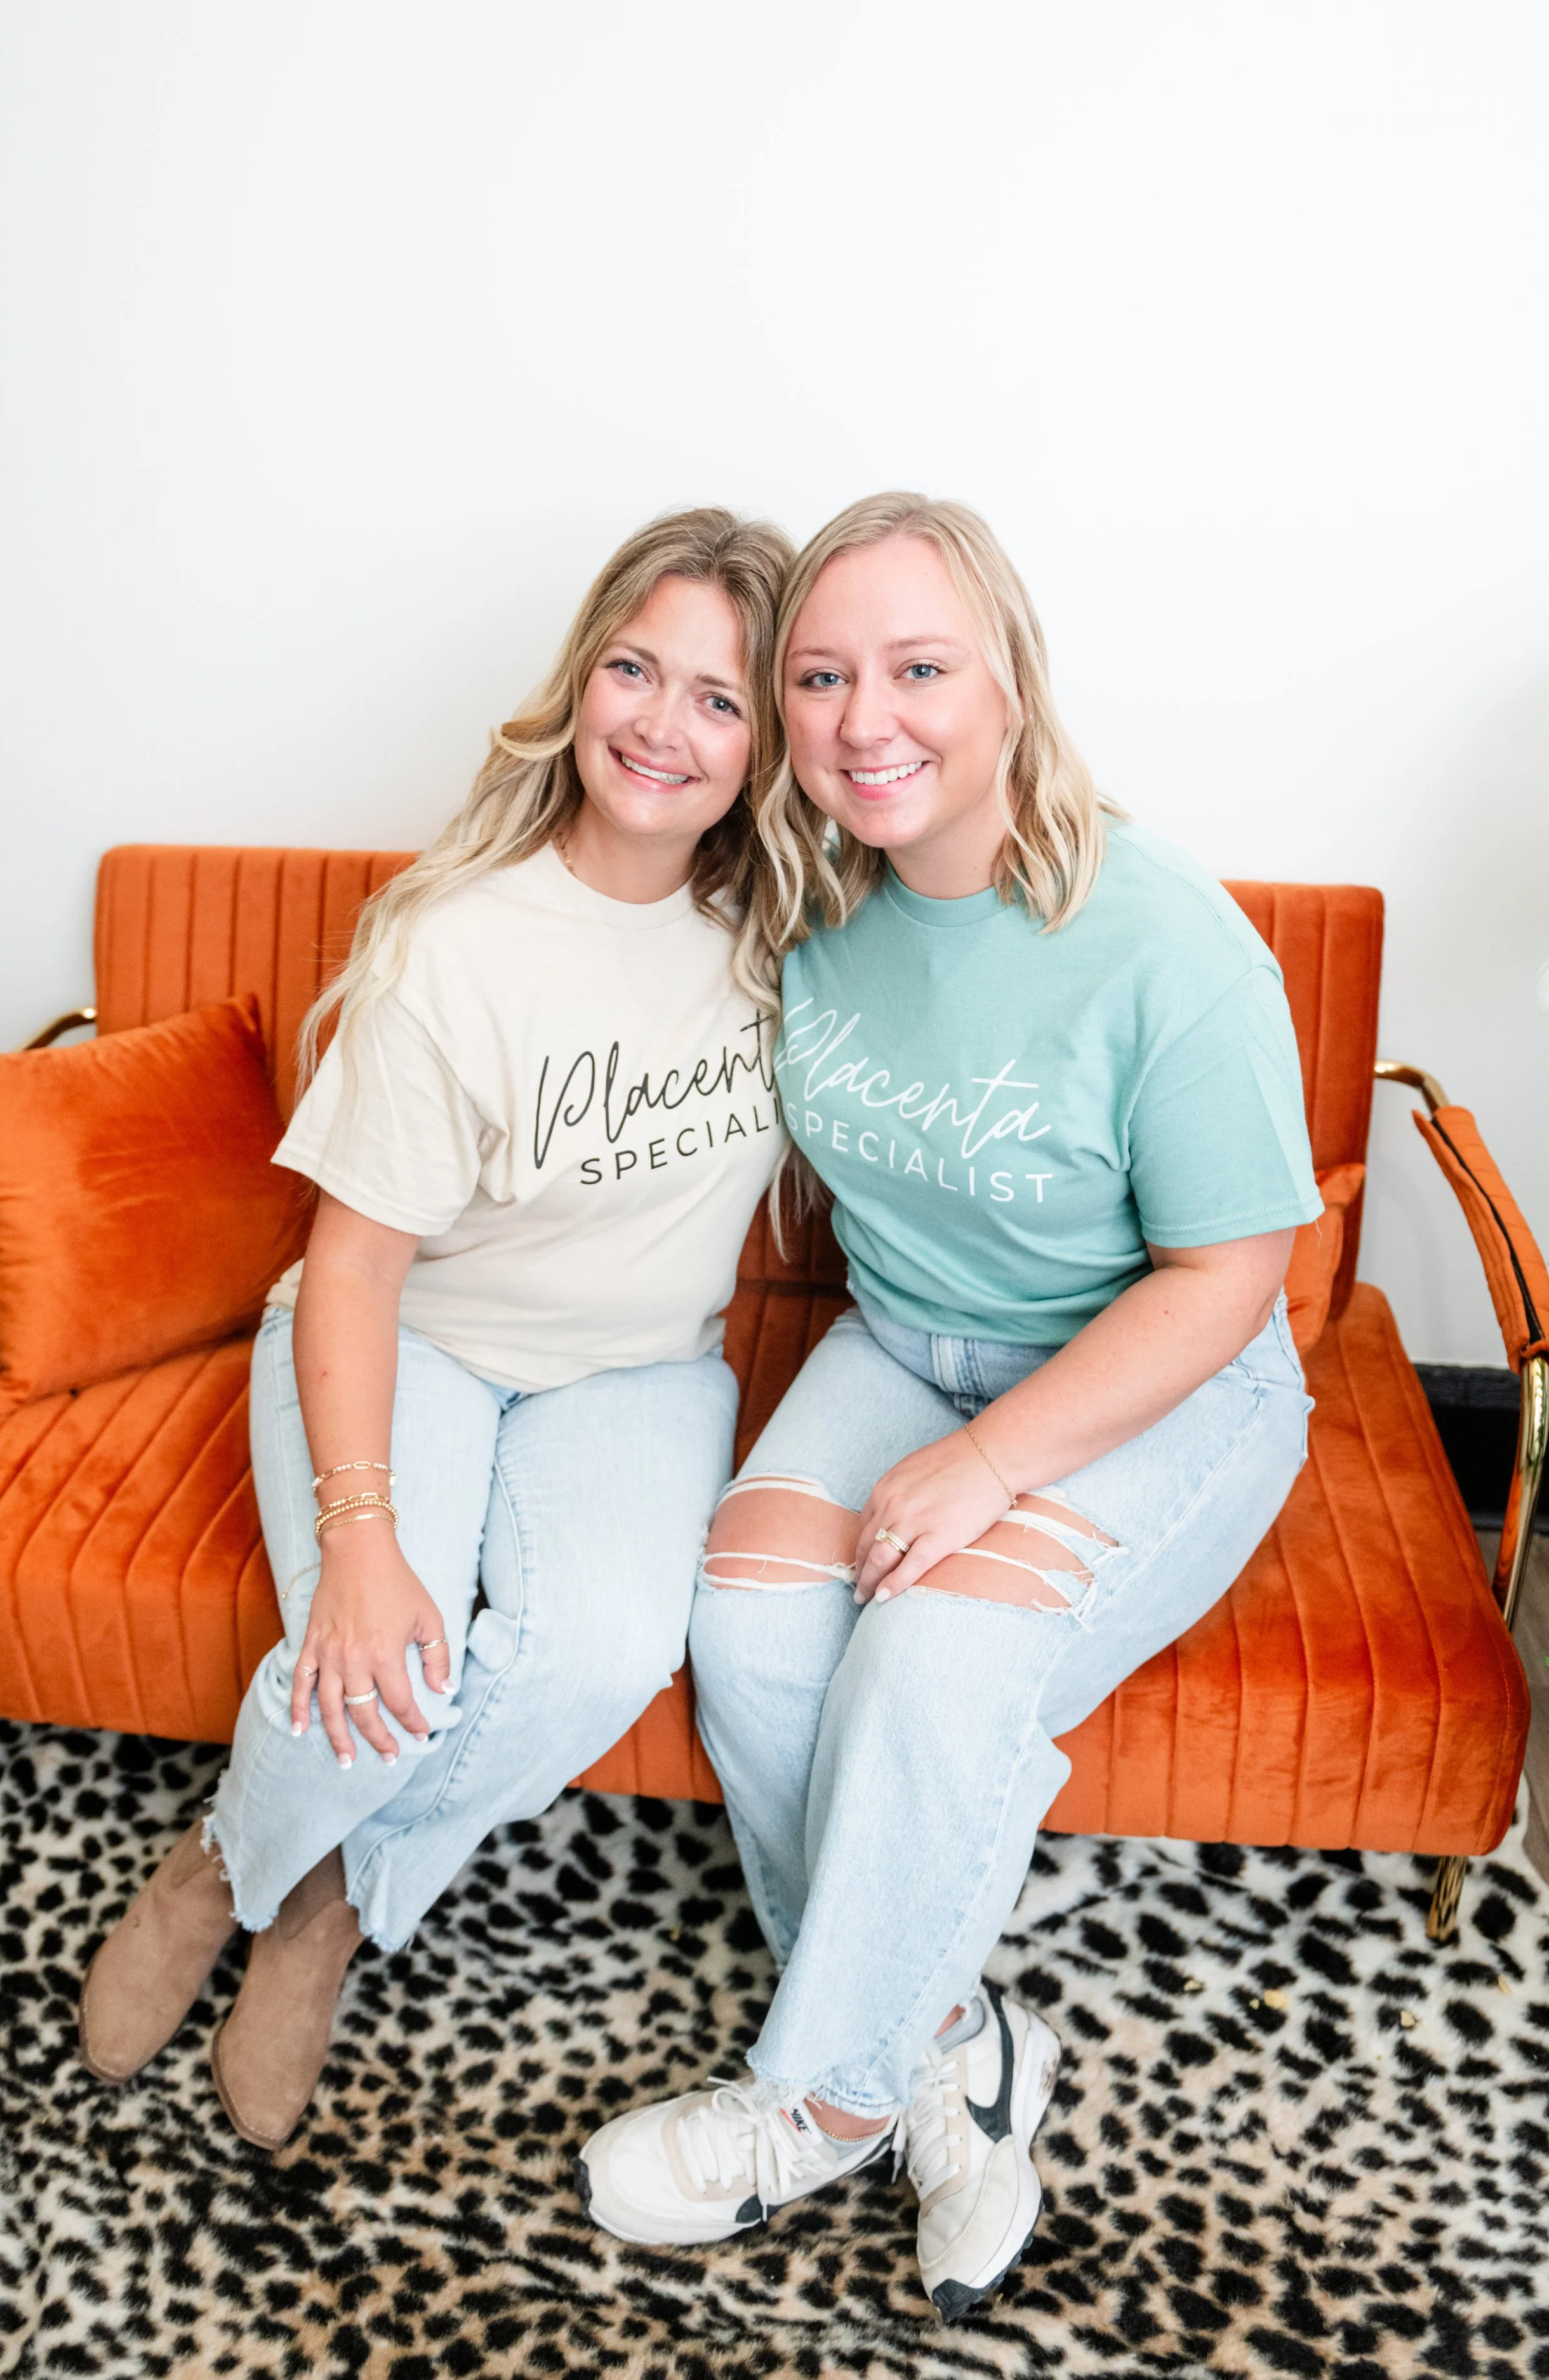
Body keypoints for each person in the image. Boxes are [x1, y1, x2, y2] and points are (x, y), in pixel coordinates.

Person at [580, 494, 1319, 2322]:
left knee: (930, 1662)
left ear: (1006, 685)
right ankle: (946, 2038)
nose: (861, 719)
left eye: (916, 668)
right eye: (818, 678)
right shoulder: (812, 904)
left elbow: (1229, 1276)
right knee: (750, 1619)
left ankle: (811, 2100)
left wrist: (988, 1465)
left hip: (1159, 1368)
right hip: (908, 1336)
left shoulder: (1166, 941)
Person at [79, 506, 794, 2148]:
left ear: (767, 746)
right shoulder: (455, 943)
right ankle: (225, 1867)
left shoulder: (787, 938)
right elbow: (353, 1265)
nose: (660, 724)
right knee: (385, 1654)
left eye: (719, 697)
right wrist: (364, 1533)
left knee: (600, 1651)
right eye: (634, 668)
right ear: (579, 678)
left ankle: (325, 1890)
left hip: (634, 1369)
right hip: (420, 1333)